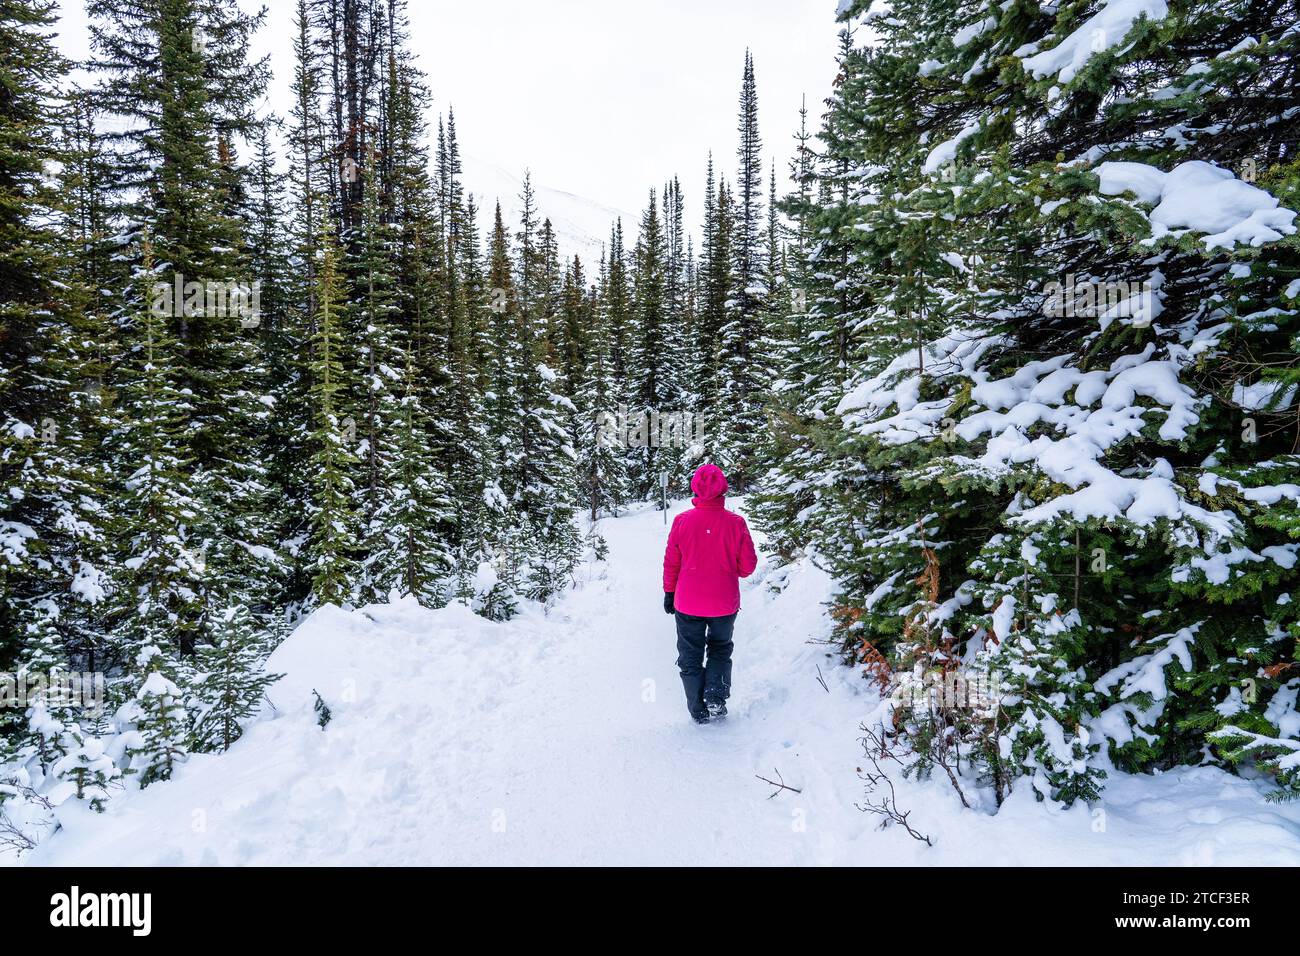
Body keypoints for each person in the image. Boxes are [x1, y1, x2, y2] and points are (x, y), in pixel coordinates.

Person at [662, 464, 758, 723]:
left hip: (688, 603)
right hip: (723, 603)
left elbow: (672, 562)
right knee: (720, 648)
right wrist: (727, 566)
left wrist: (669, 592)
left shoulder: (682, 521)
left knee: (690, 654)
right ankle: (715, 695)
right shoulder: (735, 523)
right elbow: (747, 566)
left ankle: (697, 708)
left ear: (695, 489)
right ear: (723, 490)